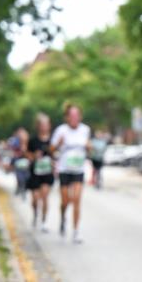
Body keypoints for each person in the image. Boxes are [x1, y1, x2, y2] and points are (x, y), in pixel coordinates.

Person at [52, 103, 91, 243]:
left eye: (77, 115)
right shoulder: (60, 130)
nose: (74, 118)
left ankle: (76, 231)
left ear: (80, 116)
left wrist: (89, 147)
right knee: (65, 201)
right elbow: (51, 149)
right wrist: (58, 144)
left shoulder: (85, 130)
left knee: (77, 200)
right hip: (64, 170)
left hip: (78, 170)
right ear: (67, 117)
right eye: (72, 115)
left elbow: (88, 149)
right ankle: (63, 217)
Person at [26, 114, 55, 231]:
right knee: (35, 199)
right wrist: (34, 156)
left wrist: (53, 161)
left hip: (47, 173)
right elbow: (27, 154)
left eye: (46, 124)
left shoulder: (53, 140)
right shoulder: (33, 140)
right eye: (42, 125)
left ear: (49, 126)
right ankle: (35, 214)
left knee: (45, 197)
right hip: (35, 173)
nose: (44, 127)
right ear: (38, 126)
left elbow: (56, 154)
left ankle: (44, 221)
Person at [11, 128, 31, 199]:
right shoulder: (15, 142)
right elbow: (12, 150)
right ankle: (19, 187)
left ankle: (23, 189)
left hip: (26, 161)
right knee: (19, 176)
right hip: (18, 161)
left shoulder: (29, 142)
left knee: (26, 176)